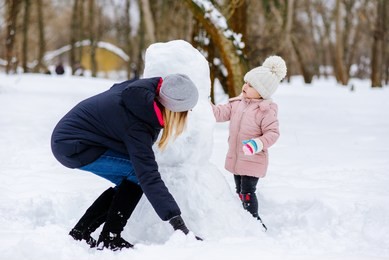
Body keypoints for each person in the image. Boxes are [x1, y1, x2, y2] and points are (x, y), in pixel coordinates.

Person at [51, 74, 200, 251]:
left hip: (75, 139)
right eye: (187, 110)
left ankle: (81, 233)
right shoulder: (138, 123)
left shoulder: (144, 92)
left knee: (129, 182)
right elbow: (148, 176)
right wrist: (178, 224)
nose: (189, 113)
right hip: (73, 145)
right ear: (175, 110)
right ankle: (110, 238)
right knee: (137, 175)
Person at [211, 56, 287, 231]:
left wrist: (257, 144)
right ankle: (244, 219)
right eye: (246, 82)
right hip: (237, 158)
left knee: (247, 192)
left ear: (262, 92)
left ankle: (254, 223)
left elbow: (273, 133)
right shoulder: (238, 103)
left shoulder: (265, 111)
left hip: (253, 159)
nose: (245, 86)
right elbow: (220, 113)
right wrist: (206, 106)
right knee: (239, 191)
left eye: (251, 85)